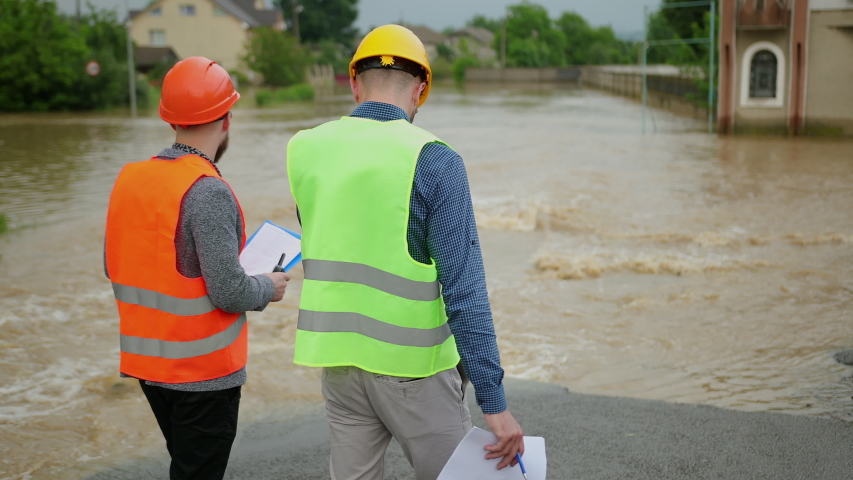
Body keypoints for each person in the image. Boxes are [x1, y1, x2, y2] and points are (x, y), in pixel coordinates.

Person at [286, 25, 524, 480]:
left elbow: (327, 233)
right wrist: (494, 402)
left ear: (354, 83)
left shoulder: (305, 149)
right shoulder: (435, 159)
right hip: (414, 371)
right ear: (420, 90)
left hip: (338, 363)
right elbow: (464, 289)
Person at [104, 57, 290, 480]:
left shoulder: (130, 179)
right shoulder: (208, 191)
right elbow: (229, 292)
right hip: (203, 374)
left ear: (171, 119)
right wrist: (269, 286)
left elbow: (112, 265)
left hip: (148, 366)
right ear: (226, 119)